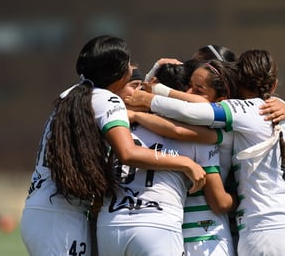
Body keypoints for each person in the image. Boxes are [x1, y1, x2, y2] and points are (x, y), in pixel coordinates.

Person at [20, 35, 206, 256]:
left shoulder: (72, 94)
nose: (131, 67)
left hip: (48, 211)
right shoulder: (108, 100)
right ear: (117, 73)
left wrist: (155, 71)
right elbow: (127, 153)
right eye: (128, 63)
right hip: (61, 218)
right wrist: (184, 162)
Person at [126, 49, 285, 256]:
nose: (190, 93)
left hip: (266, 228)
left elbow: (190, 112)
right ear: (275, 85)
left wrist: (150, 96)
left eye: (197, 89)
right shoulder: (281, 108)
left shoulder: (243, 111)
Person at [97, 62, 221, 256]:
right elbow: (201, 112)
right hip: (158, 224)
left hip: (110, 223)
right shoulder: (195, 135)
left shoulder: (116, 126)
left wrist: (150, 83)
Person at [139, 62, 237, 255]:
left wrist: (246, 198)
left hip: (208, 241)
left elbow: (219, 203)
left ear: (221, 100)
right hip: (176, 237)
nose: (189, 93)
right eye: (188, 86)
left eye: (198, 90)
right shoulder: (158, 125)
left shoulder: (213, 132)